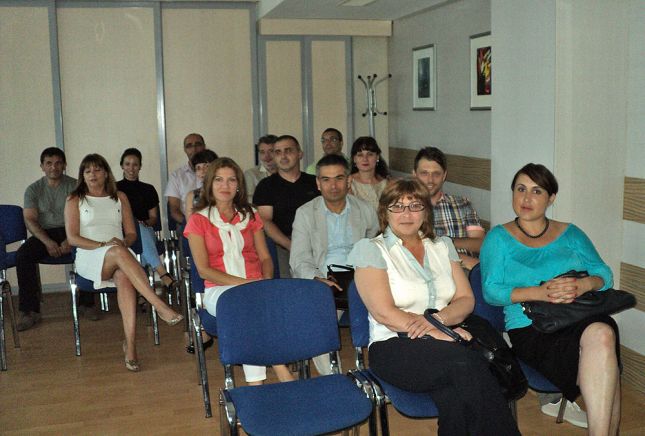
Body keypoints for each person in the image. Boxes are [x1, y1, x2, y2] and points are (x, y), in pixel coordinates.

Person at [348, 179, 519, 436]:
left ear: (426, 211)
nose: (406, 214)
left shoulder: (441, 246)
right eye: (397, 206)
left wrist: (439, 322)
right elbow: (384, 313)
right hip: (393, 345)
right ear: (385, 211)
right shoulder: (371, 250)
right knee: (466, 364)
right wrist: (436, 332)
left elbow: (465, 299)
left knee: (455, 396)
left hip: (446, 340)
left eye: (415, 205)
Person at [481, 163, 620, 433]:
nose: (526, 198)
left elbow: (604, 274)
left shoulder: (571, 233)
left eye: (537, 191)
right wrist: (540, 292)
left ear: (551, 198)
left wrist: (583, 285)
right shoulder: (498, 238)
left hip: (578, 315)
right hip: (532, 328)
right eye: (520, 189)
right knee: (605, 351)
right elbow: (491, 291)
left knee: (604, 332)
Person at [65, 154, 183, 372]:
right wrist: (103, 244)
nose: (92, 174)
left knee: (124, 276)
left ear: (106, 173)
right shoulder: (75, 199)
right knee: (119, 253)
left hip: (119, 255)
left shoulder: (119, 197)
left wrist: (122, 243)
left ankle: (130, 346)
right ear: (82, 175)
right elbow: (72, 238)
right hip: (90, 256)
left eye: (97, 169)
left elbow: (131, 234)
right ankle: (159, 305)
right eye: (87, 171)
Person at [184, 157, 294, 385]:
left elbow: (265, 257)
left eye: (231, 180)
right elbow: (203, 270)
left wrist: (265, 281)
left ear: (239, 185)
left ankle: (256, 387)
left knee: (251, 310)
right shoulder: (198, 220)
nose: (225, 186)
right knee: (245, 307)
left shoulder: (250, 215)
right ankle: (279, 368)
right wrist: (246, 285)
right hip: (218, 290)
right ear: (209, 184)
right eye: (219, 180)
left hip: (256, 286)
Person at [290, 153, 379, 375]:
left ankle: (382, 373)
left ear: (348, 181)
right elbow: (299, 258)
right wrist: (317, 278)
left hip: (360, 276)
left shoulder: (365, 209)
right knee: (319, 322)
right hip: (325, 277)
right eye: (326, 179)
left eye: (339, 178)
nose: (333, 186)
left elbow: (377, 246)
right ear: (318, 183)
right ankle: (335, 378)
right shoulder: (305, 213)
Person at [16, 147, 97, 331]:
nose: (54, 167)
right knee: (23, 255)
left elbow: (86, 216)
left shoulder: (76, 186)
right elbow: (30, 219)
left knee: (88, 249)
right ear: (42, 166)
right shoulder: (33, 189)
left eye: (58, 163)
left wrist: (71, 239)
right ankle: (29, 311)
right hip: (44, 233)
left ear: (65, 165)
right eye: (49, 163)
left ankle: (87, 303)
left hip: (72, 230)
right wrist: (47, 242)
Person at [253, 135, 319, 278]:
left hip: (316, 243)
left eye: (288, 150)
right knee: (289, 286)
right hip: (282, 245)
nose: (283, 156)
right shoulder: (266, 186)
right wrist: (291, 245)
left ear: (300, 154)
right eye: (278, 152)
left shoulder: (315, 182)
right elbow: (265, 220)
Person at [116, 148, 177, 293]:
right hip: (122, 233)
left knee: (140, 230)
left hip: (146, 231)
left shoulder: (148, 189)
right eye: (127, 164)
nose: (131, 168)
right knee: (135, 229)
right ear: (122, 166)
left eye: (135, 164)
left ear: (140, 166)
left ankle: (141, 291)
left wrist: (144, 223)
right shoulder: (114, 188)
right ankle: (162, 273)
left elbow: (153, 218)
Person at [413, 146, 484, 270]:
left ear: (444, 175)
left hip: (467, 272)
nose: (430, 180)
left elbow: (481, 244)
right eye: (424, 173)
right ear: (414, 174)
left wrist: (447, 242)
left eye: (436, 174)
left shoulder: (462, 204)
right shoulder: (405, 210)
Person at [165, 133, 206, 225]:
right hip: (186, 224)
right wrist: (191, 225)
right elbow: (174, 210)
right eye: (189, 146)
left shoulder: (216, 172)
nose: (194, 149)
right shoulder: (176, 176)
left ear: (204, 146)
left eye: (198, 144)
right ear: (185, 150)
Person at [348, 136, 390, 210]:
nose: (365, 159)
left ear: (377, 157)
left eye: (370, 154)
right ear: (354, 159)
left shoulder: (387, 184)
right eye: (360, 155)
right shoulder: (349, 183)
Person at [184, 149, 219, 221]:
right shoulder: (192, 196)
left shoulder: (223, 192)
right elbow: (190, 223)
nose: (202, 171)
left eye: (206, 166)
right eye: (198, 168)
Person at [244, 135, 277, 201]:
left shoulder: (287, 173)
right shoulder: (251, 174)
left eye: (271, 151)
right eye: (262, 152)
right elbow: (249, 200)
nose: (266, 156)